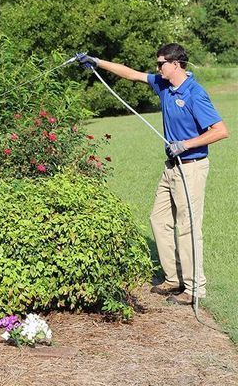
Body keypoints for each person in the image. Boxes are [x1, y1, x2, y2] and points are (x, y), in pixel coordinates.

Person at [76, 43, 229, 305]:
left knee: (188, 228)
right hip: (171, 167)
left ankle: (195, 288)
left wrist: (186, 144)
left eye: (161, 64)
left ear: (176, 64)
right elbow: (131, 74)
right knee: (158, 220)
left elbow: (220, 130)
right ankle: (173, 279)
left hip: (190, 167)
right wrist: (97, 62)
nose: (157, 68)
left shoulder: (194, 93)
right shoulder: (163, 85)